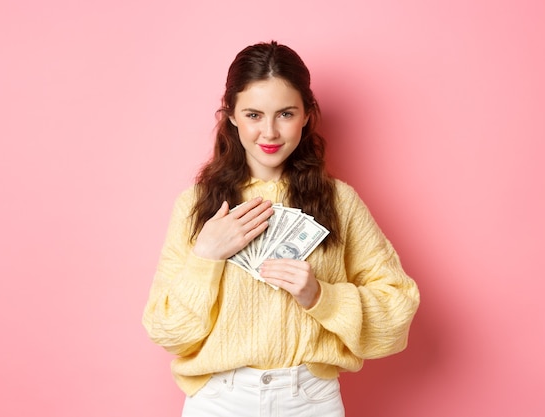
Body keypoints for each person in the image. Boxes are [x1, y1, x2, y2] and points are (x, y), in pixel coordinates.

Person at [142, 41, 420, 417]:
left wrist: (321, 296)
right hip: (219, 400)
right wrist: (205, 257)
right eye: (253, 114)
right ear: (231, 116)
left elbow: (397, 310)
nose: (269, 132)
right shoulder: (196, 205)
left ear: (306, 115)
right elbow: (167, 331)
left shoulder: (340, 202)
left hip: (309, 400)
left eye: (285, 113)